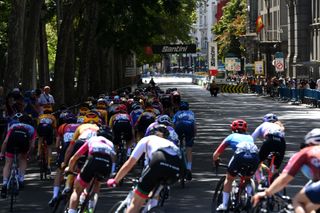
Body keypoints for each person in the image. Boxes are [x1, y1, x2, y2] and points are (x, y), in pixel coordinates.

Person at [107, 125, 184, 213]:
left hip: (159, 162)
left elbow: (130, 163)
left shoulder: (147, 139)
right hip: (177, 169)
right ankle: (152, 208)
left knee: (136, 203)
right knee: (155, 193)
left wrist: (116, 180)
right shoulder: (170, 144)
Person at [252, 128, 320, 213]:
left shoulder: (306, 152)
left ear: (309, 142)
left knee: (299, 201)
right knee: (311, 206)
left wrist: (267, 193)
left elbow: (285, 178)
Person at [212, 119, 259, 211]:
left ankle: (224, 205)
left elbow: (216, 154)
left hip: (240, 156)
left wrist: (216, 161)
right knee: (247, 178)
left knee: (229, 179)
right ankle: (249, 197)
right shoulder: (250, 137)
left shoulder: (231, 137)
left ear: (233, 129)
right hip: (254, 157)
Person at [65, 127, 115, 213]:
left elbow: (75, 157)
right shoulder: (111, 144)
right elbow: (113, 160)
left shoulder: (92, 139)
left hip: (93, 160)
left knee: (77, 190)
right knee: (97, 184)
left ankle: (72, 211)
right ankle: (91, 208)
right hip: (107, 164)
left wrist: (69, 168)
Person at [0, 113, 36, 198]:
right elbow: (33, 146)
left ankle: (4, 183)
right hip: (23, 142)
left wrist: (2, 153)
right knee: (23, 159)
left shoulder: (13, 126)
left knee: (8, 163)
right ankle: (21, 179)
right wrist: (28, 154)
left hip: (12, 140)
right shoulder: (31, 129)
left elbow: (5, 142)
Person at [48, 112, 79, 207]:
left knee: (59, 170)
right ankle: (70, 186)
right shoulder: (80, 126)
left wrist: (59, 152)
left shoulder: (62, 126)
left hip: (66, 147)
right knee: (76, 168)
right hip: (78, 147)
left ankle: (55, 195)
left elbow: (57, 144)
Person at [173, 101, 196, 180]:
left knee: (176, 146)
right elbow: (194, 125)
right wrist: (194, 135)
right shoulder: (191, 113)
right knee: (189, 148)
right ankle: (189, 168)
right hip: (189, 127)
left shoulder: (177, 114)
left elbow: (174, 125)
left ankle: (177, 165)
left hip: (179, 126)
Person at [37, 104, 57, 173]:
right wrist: (54, 136)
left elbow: (38, 126)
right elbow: (54, 128)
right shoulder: (52, 117)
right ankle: (48, 165)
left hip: (41, 128)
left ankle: (38, 153)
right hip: (49, 129)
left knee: (40, 139)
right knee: (49, 147)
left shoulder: (40, 116)